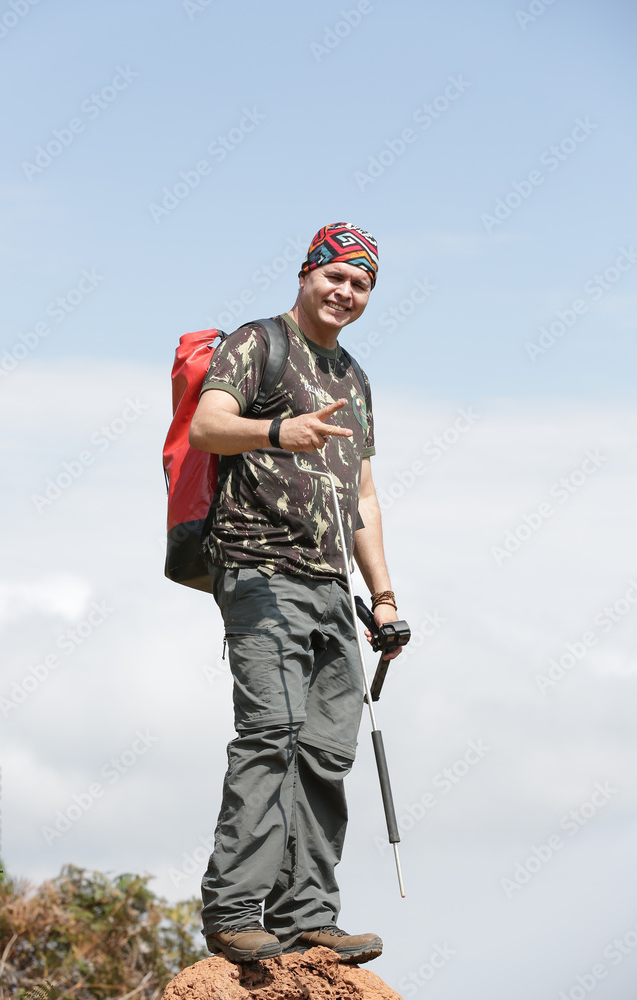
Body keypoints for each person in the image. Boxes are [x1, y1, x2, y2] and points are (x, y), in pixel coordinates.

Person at [188, 222, 402, 965]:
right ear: (307, 274)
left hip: (330, 588)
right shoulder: (259, 342)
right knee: (270, 735)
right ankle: (234, 910)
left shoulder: (355, 379)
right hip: (256, 570)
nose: (346, 292)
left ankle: (308, 914)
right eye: (335, 277)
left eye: (361, 283)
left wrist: (383, 599)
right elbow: (208, 426)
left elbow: (364, 498)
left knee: (325, 752)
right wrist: (279, 432)